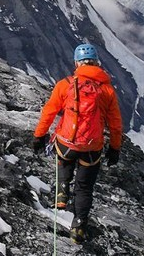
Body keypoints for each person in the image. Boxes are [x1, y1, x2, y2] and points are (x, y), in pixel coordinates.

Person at [32, 43, 123, 244]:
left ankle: (62, 191)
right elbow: (115, 123)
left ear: (76, 63)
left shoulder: (64, 84)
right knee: (84, 188)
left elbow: (49, 112)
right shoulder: (106, 90)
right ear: (97, 63)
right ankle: (79, 226)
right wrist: (115, 148)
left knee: (64, 157)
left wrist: (39, 136)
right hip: (92, 148)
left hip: (66, 144)